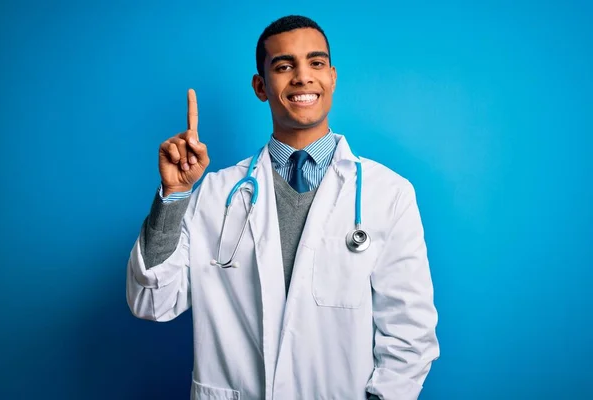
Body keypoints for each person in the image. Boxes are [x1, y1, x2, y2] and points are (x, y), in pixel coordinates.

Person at [126, 15, 439, 400]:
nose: (303, 76)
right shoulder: (214, 194)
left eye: (316, 63)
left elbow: (410, 336)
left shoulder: (388, 193)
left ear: (332, 77)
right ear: (261, 86)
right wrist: (174, 195)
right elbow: (152, 302)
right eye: (284, 65)